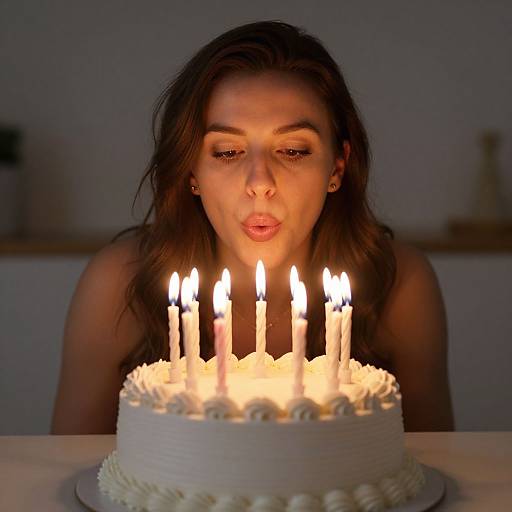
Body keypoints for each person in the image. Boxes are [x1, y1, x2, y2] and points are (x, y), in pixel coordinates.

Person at [51, 20, 454, 434]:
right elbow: (68, 467)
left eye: (294, 150)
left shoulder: (400, 285)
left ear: (337, 166)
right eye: (227, 152)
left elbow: (437, 463)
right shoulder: (117, 284)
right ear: (191, 170)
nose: (259, 182)